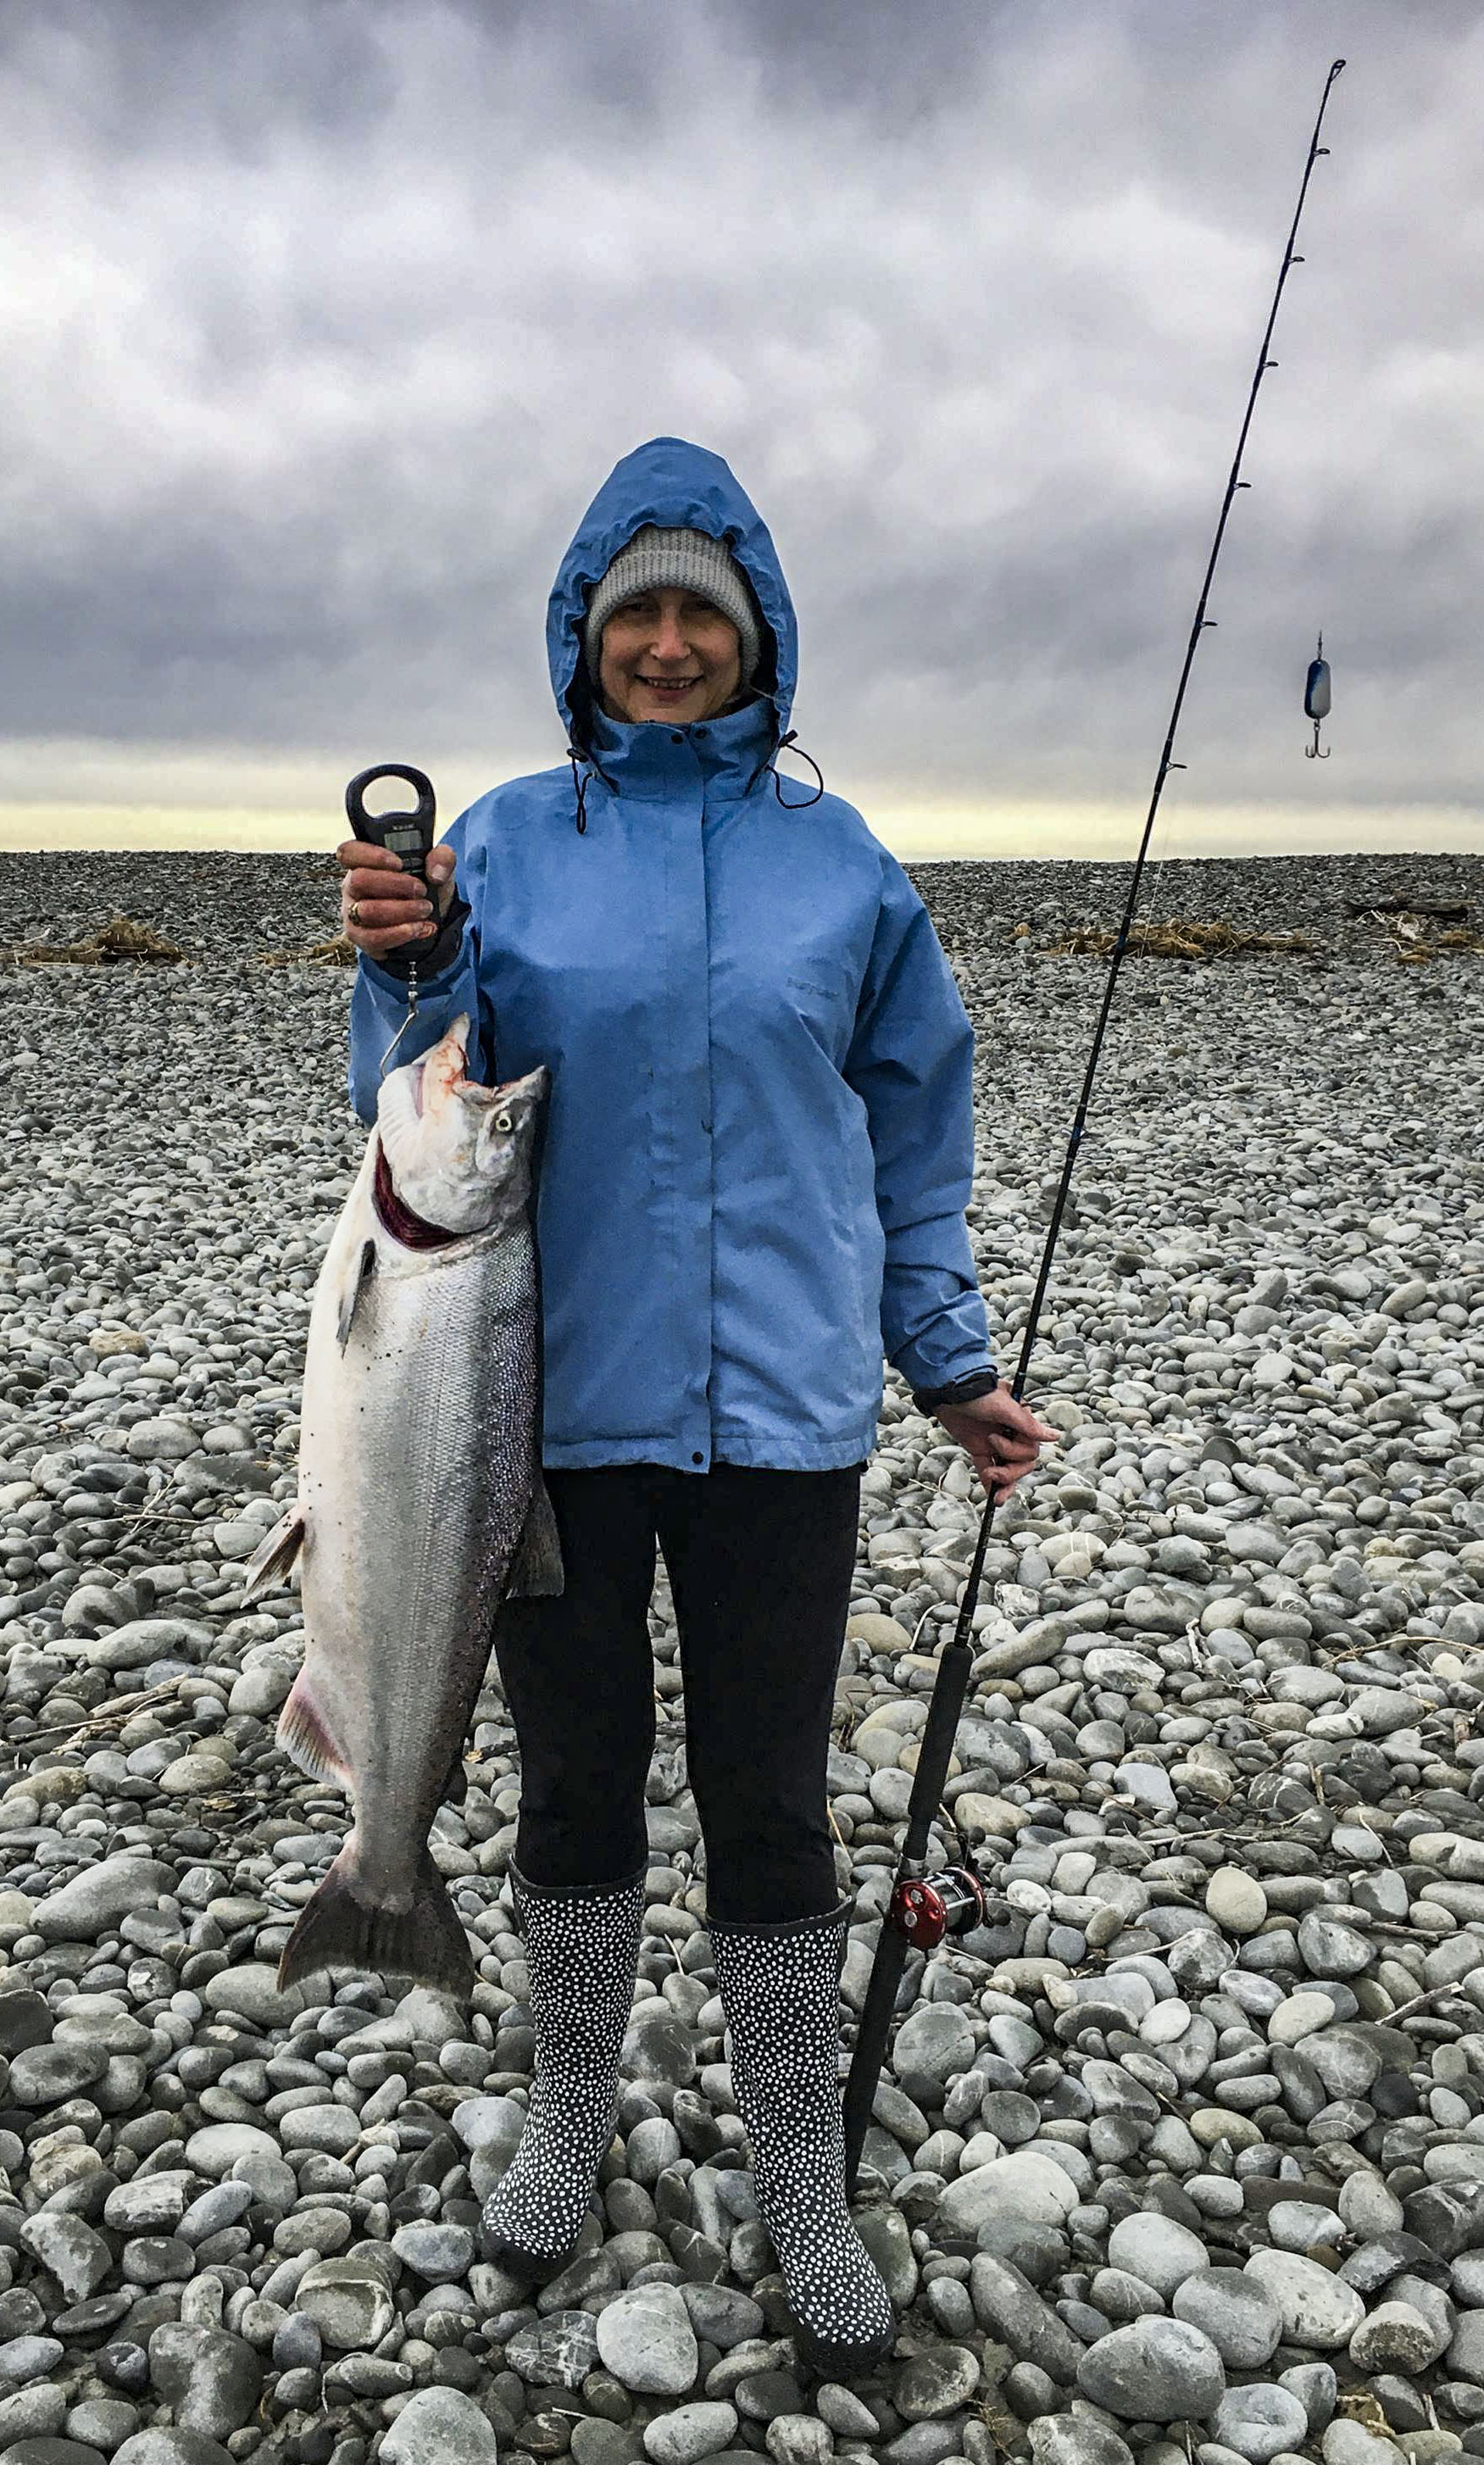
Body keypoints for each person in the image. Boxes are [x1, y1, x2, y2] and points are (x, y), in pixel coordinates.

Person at [337, 436, 1056, 2376]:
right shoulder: (496, 838)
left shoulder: (849, 870)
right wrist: (400, 964)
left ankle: (802, 2174)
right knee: (573, 1781)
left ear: (758, 645)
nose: (668, 644)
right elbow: (409, 1097)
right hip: (539, 1411)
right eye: (636, 613)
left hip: (789, 1420)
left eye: (702, 617)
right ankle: (569, 2110)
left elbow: (919, 1130)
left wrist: (952, 1358)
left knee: (770, 1792)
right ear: (586, 634)